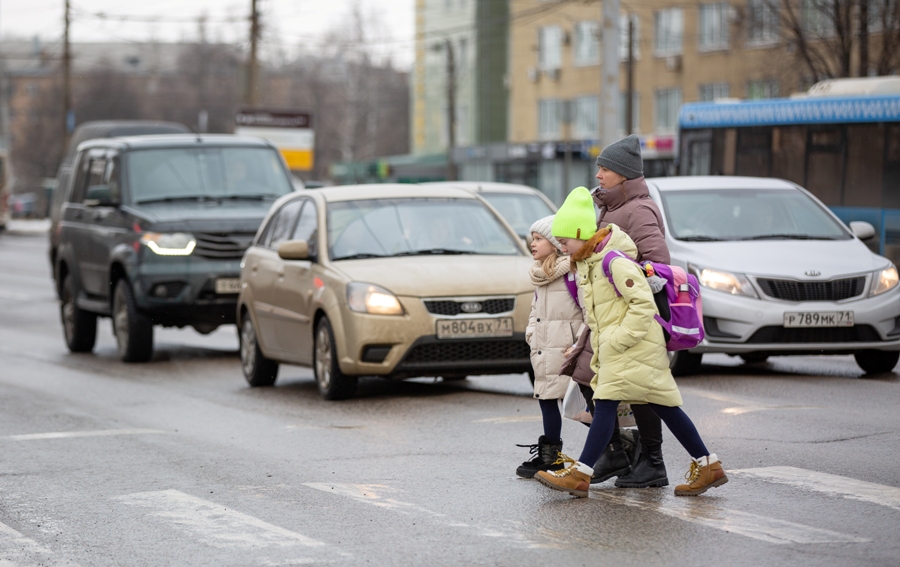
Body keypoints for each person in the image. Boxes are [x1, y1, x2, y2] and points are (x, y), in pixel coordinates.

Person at [534, 187, 727, 498]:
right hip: (627, 350)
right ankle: (708, 465)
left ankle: (581, 473)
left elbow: (643, 305)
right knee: (665, 407)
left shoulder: (612, 261)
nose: (563, 248)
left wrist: (613, 339)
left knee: (607, 403)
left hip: (633, 348)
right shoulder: (590, 263)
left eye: (566, 242)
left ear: (582, 234)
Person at [589, 134, 671, 489]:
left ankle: (649, 461)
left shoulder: (637, 209)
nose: (598, 175)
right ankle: (621, 452)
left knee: (642, 392)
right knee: (594, 379)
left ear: (622, 174)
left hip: (634, 317)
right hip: (609, 315)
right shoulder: (610, 207)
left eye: (604, 168)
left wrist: (624, 284)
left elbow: (657, 266)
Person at [516, 216, 584, 478]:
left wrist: (579, 343)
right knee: (547, 399)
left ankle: (617, 446)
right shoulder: (541, 275)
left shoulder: (573, 272)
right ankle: (551, 458)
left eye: (538, 239)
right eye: (532, 238)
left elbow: (588, 311)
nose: (532, 244)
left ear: (556, 244)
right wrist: (532, 333)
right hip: (545, 348)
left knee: (583, 406)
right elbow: (535, 310)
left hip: (569, 350)